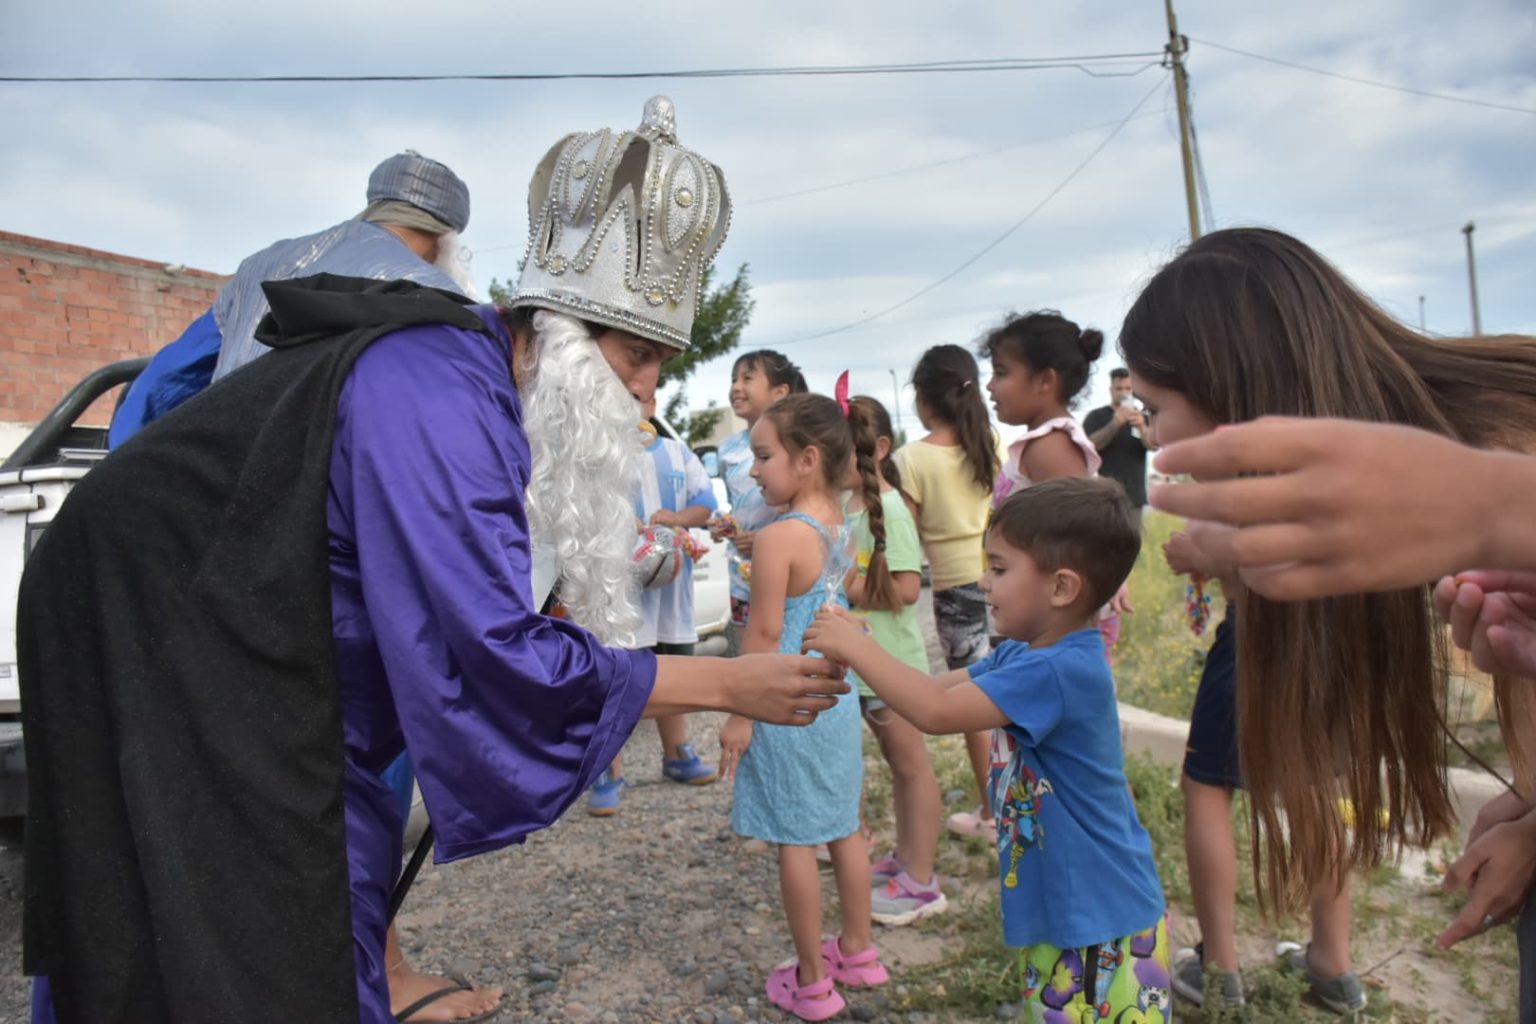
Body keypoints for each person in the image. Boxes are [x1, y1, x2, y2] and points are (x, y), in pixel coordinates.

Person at [20, 97, 849, 1024]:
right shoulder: (442, 387)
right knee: (253, 913)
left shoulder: (473, 379)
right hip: (164, 626)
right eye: (639, 355)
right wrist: (730, 686)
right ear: (565, 335)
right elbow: (492, 653)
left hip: (224, 629)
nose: (645, 391)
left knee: (281, 885)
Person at [101, 150, 492, 1022]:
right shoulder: (438, 303)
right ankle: (364, 986)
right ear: (441, 241)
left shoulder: (262, 269)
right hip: (345, 591)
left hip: (224, 586)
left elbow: (152, 401)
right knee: (357, 800)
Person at [1118, 226, 1536, 1006]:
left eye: (1156, 405)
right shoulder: (1430, 485)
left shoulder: (1504, 446)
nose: (1159, 444)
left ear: (1238, 388)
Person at [1149, 419, 1536, 1019]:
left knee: (1207, 789)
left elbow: (1251, 570)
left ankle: (1222, 967)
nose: (1154, 426)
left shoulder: (1239, 473)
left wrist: (1202, 551)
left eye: (1158, 405)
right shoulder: (1314, 452)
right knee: (1324, 794)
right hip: (1335, 655)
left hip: (1257, 648)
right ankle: (1333, 963)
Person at [804, 477, 1170, 1022]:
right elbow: (930, 690)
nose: (983, 581)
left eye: (999, 569)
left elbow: (933, 713)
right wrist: (866, 648)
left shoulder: (1059, 670)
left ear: (1062, 588)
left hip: (1100, 916)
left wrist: (856, 648)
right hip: (1073, 908)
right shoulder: (1023, 656)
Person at [108, 150, 476, 447]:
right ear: (444, 237)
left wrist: (123, 466)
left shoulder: (261, 266)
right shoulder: (433, 291)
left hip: (221, 485)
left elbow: (166, 380)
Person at [718, 390, 888, 1022]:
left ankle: (812, 982)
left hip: (783, 700)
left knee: (795, 835)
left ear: (808, 458)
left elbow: (761, 638)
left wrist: (738, 714)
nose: (754, 470)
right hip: (833, 697)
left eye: (763, 456)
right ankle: (860, 951)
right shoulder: (837, 523)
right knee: (843, 824)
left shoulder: (779, 537)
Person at [588, 396, 720, 815]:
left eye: (639, 398)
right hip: (620, 586)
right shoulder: (598, 450)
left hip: (671, 586)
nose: (629, 404)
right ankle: (608, 768)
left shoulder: (677, 453)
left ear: (653, 404)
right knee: (621, 674)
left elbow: (705, 504)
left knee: (674, 668)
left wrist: (678, 519)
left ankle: (677, 752)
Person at [843, 396, 946, 926]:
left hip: (892, 666)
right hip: (864, 668)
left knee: (910, 768)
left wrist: (846, 585)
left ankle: (923, 880)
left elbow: (906, 590)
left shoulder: (893, 512)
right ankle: (906, 861)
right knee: (895, 764)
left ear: (880, 449)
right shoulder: (850, 508)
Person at [893, 345, 1000, 841]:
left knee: (975, 703)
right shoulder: (991, 442)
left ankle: (990, 809)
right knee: (1012, 685)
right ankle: (1016, 798)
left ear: (923, 397)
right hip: (1003, 579)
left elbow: (904, 535)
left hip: (956, 590)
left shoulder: (910, 459)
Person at [709, 350, 808, 655]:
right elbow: (739, 504)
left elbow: (809, 500)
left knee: (788, 650)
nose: (736, 387)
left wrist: (768, 538)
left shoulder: (797, 443)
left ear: (780, 392)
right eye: (733, 379)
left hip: (786, 574)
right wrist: (724, 524)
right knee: (750, 657)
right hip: (742, 576)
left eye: (747, 378)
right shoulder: (727, 449)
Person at [1083, 368, 1153, 531]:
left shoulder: (1143, 416)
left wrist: (1142, 427)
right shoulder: (1096, 416)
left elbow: (1154, 445)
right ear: (1111, 390)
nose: (1123, 393)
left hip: (1134, 498)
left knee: (1130, 550)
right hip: (1103, 497)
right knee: (1101, 548)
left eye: (1128, 389)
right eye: (1119, 388)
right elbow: (1090, 446)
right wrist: (1115, 423)